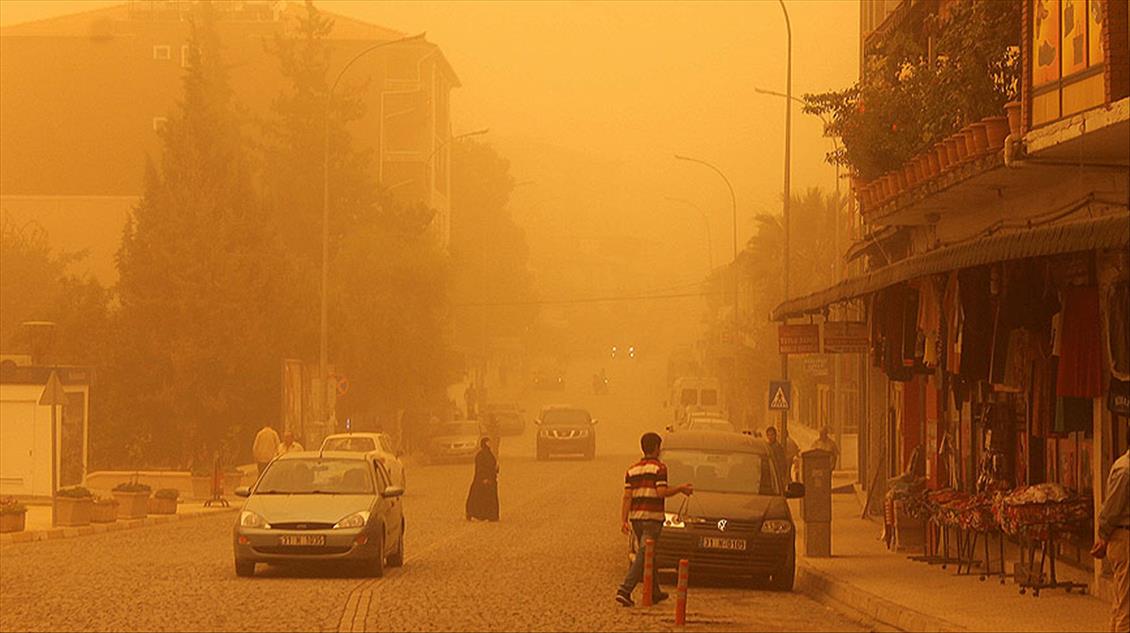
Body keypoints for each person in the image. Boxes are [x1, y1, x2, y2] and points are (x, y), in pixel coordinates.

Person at [616, 432, 694, 607]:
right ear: (657, 448)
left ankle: (655, 592)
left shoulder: (632, 470)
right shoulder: (660, 468)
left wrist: (623, 520)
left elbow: (627, 497)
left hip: (636, 519)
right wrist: (681, 488)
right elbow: (661, 492)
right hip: (652, 519)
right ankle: (625, 590)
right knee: (644, 554)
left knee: (650, 555)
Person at [1092, 447, 1129, 632]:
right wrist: (1103, 535)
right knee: (1126, 608)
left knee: (1120, 603)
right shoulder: (1126, 471)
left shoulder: (1123, 466)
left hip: (1120, 537)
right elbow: (1112, 509)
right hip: (1124, 538)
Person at [465, 437, 500, 521]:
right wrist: (484, 478)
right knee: (480, 497)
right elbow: (480, 468)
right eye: (488, 442)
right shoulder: (480, 455)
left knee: (489, 498)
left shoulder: (490, 454)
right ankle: (475, 513)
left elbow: (492, 465)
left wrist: (496, 469)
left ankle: (491, 515)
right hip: (482, 480)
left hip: (491, 479)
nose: (489, 444)